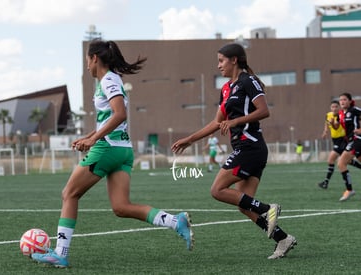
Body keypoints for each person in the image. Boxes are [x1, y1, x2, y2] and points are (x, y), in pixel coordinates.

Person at [31, 39, 194, 268]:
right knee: (121, 207)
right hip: (122, 150)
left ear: (94, 58)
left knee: (69, 194)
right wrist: (89, 136)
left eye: (87, 60)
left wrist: (94, 139)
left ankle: (60, 253)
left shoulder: (108, 80)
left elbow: (120, 114)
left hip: (108, 147)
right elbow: (110, 118)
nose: (86, 66)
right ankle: (175, 222)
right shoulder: (112, 80)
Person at [172, 42, 296, 259]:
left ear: (234, 60)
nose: (218, 65)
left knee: (217, 190)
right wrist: (189, 139)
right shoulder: (226, 89)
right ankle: (283, 239)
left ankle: (268, 208)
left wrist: (236, 120)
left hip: (251, 147)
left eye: (221, 60)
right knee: (245, 204)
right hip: (246, 148)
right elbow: (217, 122)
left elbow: (264, 111)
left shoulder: (248, 82)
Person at [336, 92, 361, 201]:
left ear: (350, 101)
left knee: (341, 163)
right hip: (350, 140)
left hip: (357, 139)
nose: (342, 101)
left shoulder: (354, 110)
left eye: (345, 99)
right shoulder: (341, 113)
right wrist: (332, 124)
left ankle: (349, 190)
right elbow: (337, 126)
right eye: (340, 99)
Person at [318, 100, 347, 189]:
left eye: (336, 106)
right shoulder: (328, 115)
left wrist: (332, 123)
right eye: (332, 107)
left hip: (342, 139)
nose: (334, 108)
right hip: (335, 140)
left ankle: (326, 182)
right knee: (346, 160)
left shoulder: (341, 115)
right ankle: (326, 182)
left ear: (339, 107)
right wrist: (325, 131)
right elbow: (326, 123)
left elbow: (336, 126)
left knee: (331, 160)